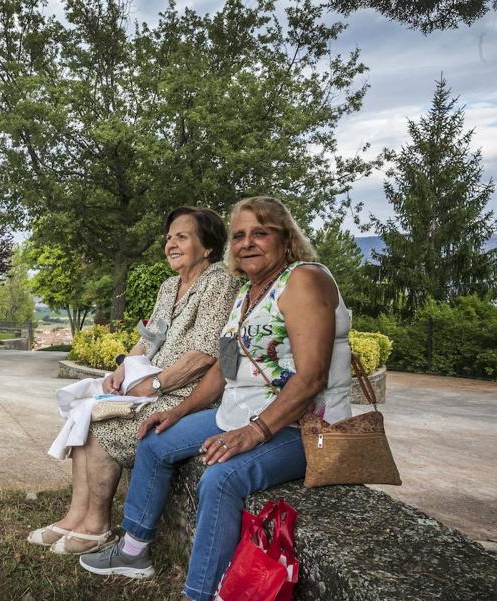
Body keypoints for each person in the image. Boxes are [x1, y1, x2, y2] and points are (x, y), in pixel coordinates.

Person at [79, 196, 353, 601]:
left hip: (302, 426)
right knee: (153, 439)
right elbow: (224, 372)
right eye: (239, 235)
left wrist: (254, 432)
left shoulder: (304, 279)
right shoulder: (247, 293)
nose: (247, 243)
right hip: (239, 415)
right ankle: (134, 552)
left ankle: (200, 593)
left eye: (261, 232)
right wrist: (178, 410)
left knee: (220, 479)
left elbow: (311, 380)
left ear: (286, 238)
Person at [27, 207, 240, 555]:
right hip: (148, 389)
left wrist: (155, 386)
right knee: (86, 416)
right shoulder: (170, 285)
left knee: (104, 432)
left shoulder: (219, 281)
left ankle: (96, 527)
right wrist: (123, 367)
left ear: (208, 247)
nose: (171, 244)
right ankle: (74, 517)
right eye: (169, 237)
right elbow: (150, 337)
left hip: (186, 395)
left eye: (182, 237)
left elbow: (204, 355)